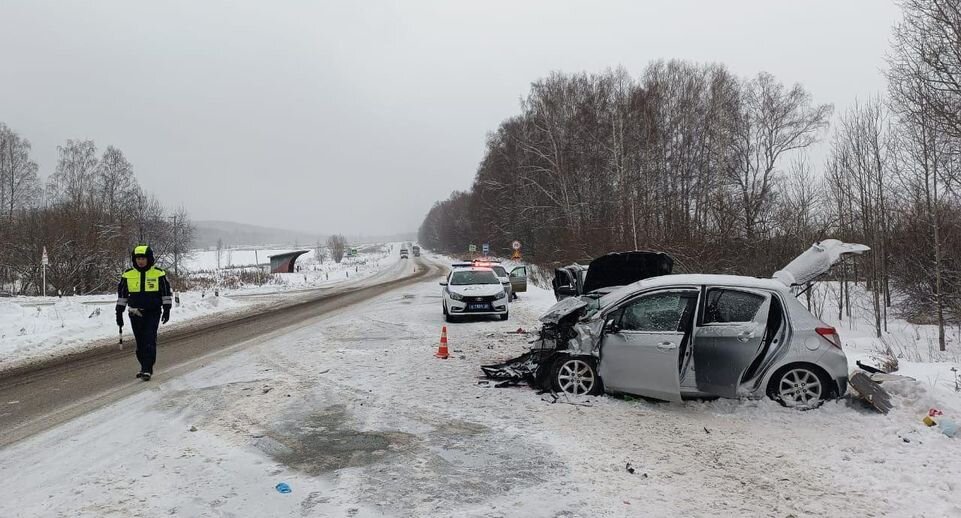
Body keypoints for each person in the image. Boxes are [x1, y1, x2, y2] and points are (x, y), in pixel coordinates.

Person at [116, 245, 172, 381]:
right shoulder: (127, 274)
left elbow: (165, 293)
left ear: (149, 259)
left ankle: (147, 368)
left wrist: (167, 309)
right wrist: (119, 312)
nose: (140, 261)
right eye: (138, 258)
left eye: (143, 258)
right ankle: (144, 366)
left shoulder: (158, 273)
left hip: (153, 312)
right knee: (140, 342)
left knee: (149, 339)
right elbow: (122, 295)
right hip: (135, 312)